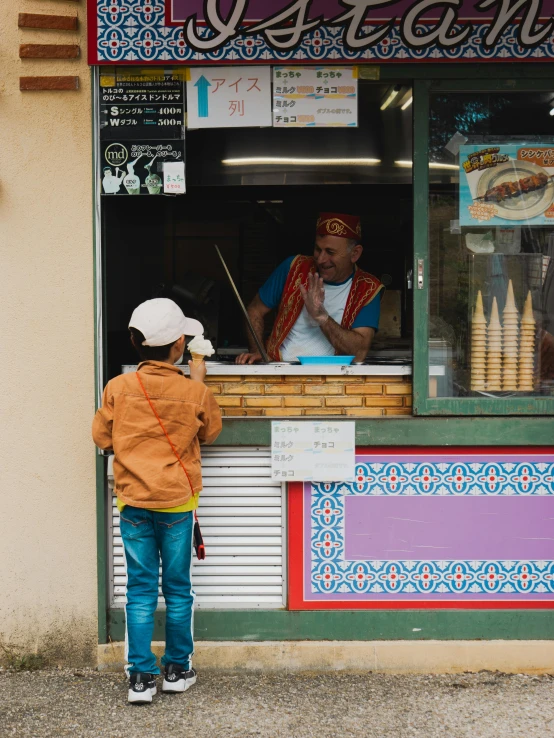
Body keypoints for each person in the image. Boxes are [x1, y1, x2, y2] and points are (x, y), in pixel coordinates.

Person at [92, 298, 222, 704]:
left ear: (133, 341)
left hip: (133, 504)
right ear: (181, 344)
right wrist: (198, 382)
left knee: (140, 589)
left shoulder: (118, 387)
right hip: (177, 505)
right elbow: (212, 432)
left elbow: (101, 438)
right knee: (178, 589)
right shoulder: (191, 391)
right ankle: (178, 669)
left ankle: (141, 678)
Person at [236, 212, 383, 364]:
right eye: (318, 249)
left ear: (355, 254)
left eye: (330, 252)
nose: (321, 259)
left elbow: (359, 353)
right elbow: (254, 310)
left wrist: (322, 317)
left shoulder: (368, 288)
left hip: (334, 379)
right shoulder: (293, 267)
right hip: (279, 371)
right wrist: (257, 350)